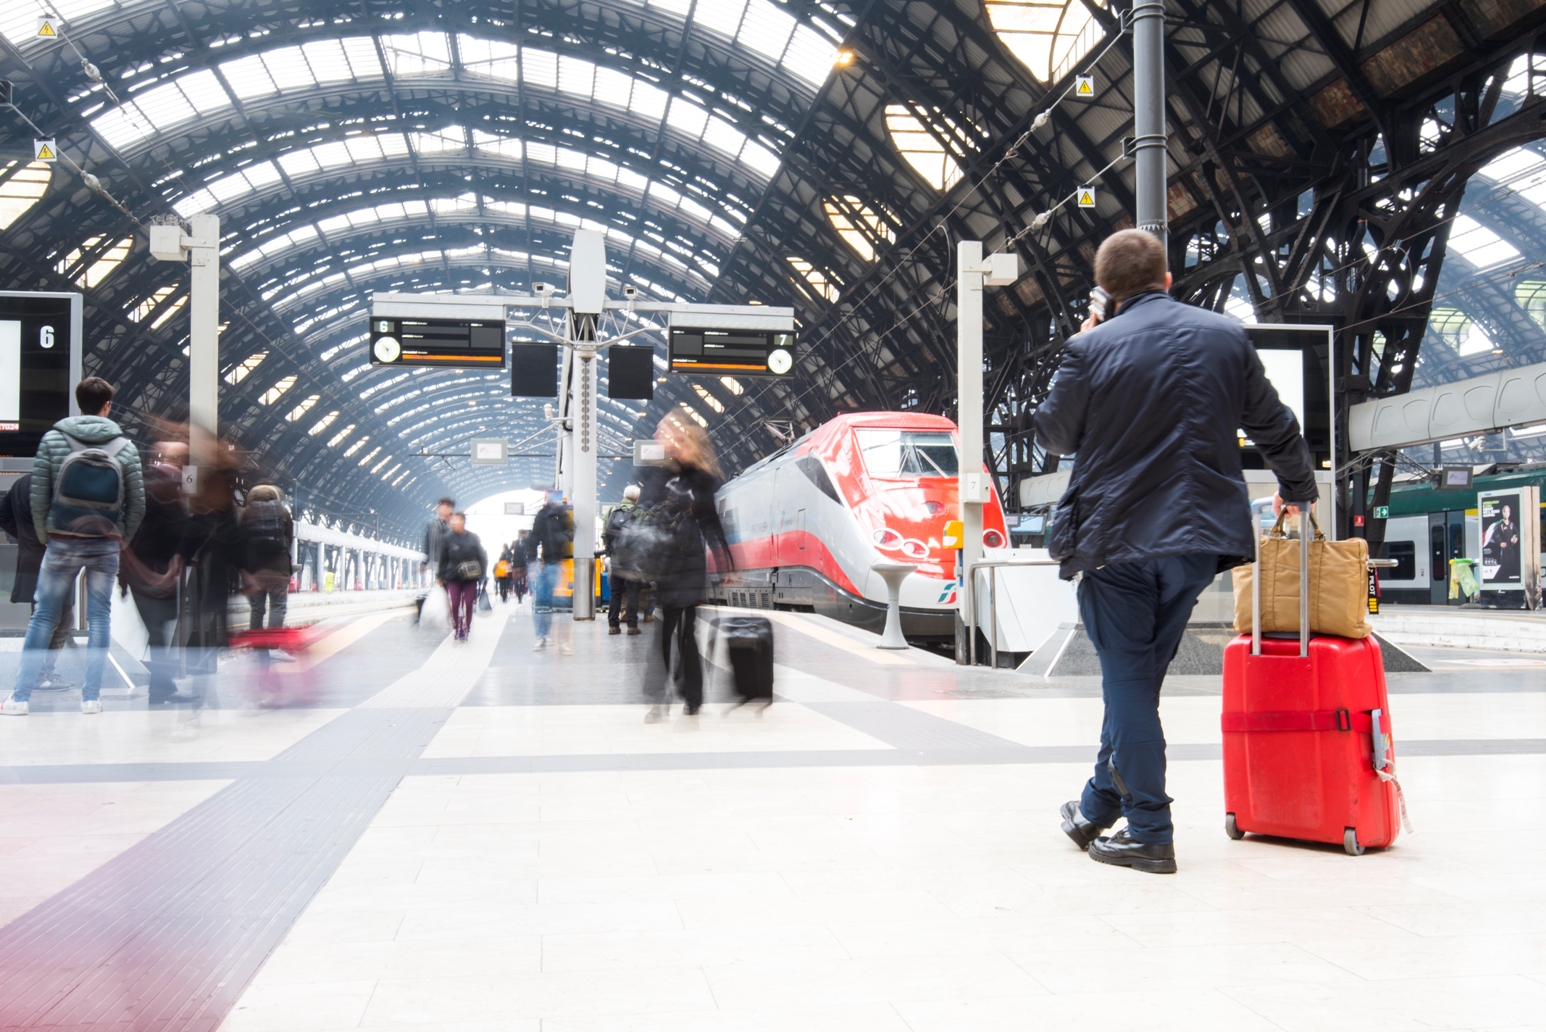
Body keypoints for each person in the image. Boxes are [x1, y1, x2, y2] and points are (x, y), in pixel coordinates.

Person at [1034, 229, 1317, 874]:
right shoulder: (1225, 336)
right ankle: (1098, 803)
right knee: (1134, 683)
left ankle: (1150, 830)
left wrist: (1083, 338)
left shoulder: (1090, 347)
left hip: (1117, 543)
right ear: (1167, 278)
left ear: (1106, 292)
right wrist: (1298, 492)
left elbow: (1053, 434)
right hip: (1195, 545)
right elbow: (1275, 425)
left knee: (1128, 685)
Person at [5, 378, 145, 715]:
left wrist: (46, 533)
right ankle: (91, 698)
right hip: (105, 543)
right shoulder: (125, 447)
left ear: (78, 401)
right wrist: (119, 536)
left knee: (43, 616)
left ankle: (21, 698)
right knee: (100, 619)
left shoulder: (54, 439)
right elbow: (137, 504)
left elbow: (40, 495)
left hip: (62, 540)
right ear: (107, 405)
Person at [642, 414, 731, 722]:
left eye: (684, 442)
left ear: (696, 447)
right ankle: (660, 696)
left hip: (692, 566)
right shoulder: (662, 478)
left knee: (687, 633)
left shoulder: (703, 482)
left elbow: (711, 524)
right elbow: (646, 512)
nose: (678, 447)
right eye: (675, 441)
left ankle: (691, 695)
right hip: (666, 567)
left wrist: (725, 564)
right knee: (664, 633)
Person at [120, 441, 194, 703]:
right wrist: (179, 554)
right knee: (158, 628)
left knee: (158, 628)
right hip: (154, 568)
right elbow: (179, 527)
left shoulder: (144, 484)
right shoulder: (167, 487)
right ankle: (160, 687)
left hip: (141, 567)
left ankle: (162, 686)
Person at [0, 473, 75, 692]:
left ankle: (44, 673)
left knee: (60, 617)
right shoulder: (59, 484)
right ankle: (38, 675)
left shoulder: (22, 483)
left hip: (34, 557)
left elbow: (3, 515)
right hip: (55, 559)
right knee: (51, 618)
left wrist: (24, 537)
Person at [239, 484, 295, 655]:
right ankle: (274, 646)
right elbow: (289, 538)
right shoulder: (283, 512)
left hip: (254, 570)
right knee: (277, 607)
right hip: (278, 570)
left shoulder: (246, 513)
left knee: (257, 610)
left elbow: (239, 541)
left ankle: (258, 650)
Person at [529, 491, 574, 653]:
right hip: (545, 563)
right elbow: (534, 538)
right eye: (550, 497)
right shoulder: (542, 516)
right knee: (542, 601)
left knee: (561, 603)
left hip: (561, 563)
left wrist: (562, 537)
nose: (553, 501)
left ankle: (562, 641)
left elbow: (572, 530)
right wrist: (532, 560)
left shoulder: (563, 515)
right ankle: (542, 636)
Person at [438, 512, 487, 642]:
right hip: (452, 577)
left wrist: (482, 575)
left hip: (470, 578)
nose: (455, 523)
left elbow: (482, 557)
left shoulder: (473, 538)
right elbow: (443, 558)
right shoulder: (447, 538)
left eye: (458, 520)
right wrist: (440, 576)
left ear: (463, 522)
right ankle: (458, 627)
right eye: (453, 521)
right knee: (454, 604)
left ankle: (465, 628)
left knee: (468, 603)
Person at [604, 485, 643, 636]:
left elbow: (604, 534)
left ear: (623, 495)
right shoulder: (639, 513)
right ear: (637, 498)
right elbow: (644, 537)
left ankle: (613, 626)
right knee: (633, 592)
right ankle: (632, 626)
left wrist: (609, 553)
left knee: (615, 593)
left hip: (616, 559)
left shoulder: (611, 511)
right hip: (633, 560)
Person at [512, 531, 530, 604]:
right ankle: (517, 593)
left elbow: (528, 551)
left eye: (525, 534)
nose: (524, 535)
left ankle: (521, 595)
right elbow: (510, 550)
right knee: (516, 581)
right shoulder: (515, 543)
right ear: (520, 534)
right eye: (523, 534)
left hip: (523, 564)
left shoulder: (526, 542)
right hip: (516, 564)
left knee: (523, 581)